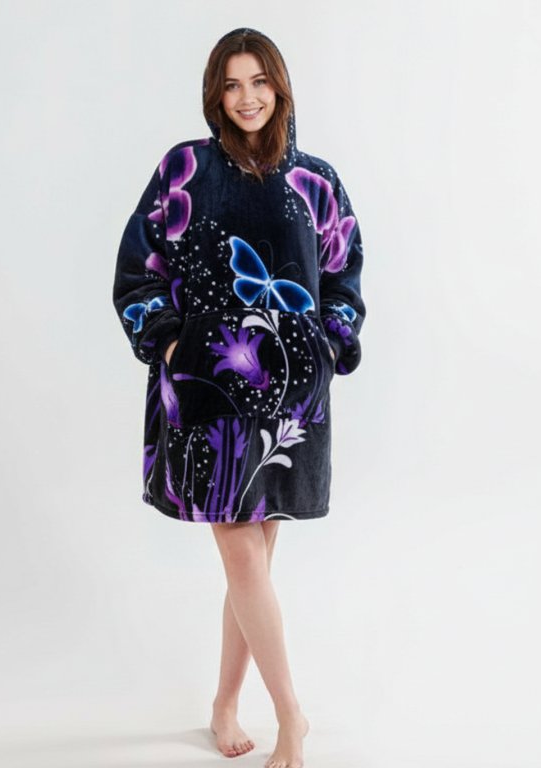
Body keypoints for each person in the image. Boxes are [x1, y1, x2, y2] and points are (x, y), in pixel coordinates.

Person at [112, 27, 366, 768]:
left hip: (289, 399)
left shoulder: (315, 180)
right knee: (242, 555)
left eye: (259, 81)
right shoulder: (184, 169)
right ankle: (291, 715)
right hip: (206, 394)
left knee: (250, 564)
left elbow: (344, 275)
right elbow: (138, 266)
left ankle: (225, 704)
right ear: (215, 94)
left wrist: (327, 346)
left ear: (279, 87)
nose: (246, 97)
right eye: (231, 84)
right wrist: (169, 343)